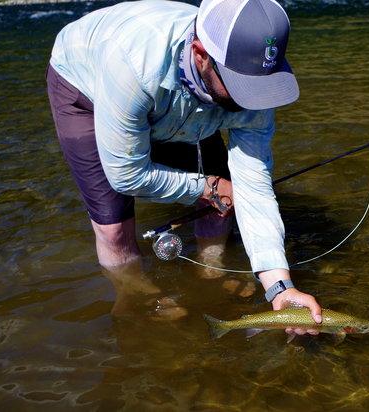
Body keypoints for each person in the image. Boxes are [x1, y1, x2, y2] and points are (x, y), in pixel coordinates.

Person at [46, 0, 323, 333]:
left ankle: (212, 272)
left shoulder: (252, 84)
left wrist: (279, 286)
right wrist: (206, 186)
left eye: (257, 88)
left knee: (224, 197)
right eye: (240, 86)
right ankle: (134, 292)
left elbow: (253, 187)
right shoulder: (132, 64)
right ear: (200, 54)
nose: (250, 102)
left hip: (178, 88)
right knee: (114, 226)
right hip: (85, 85)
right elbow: (126, 175)